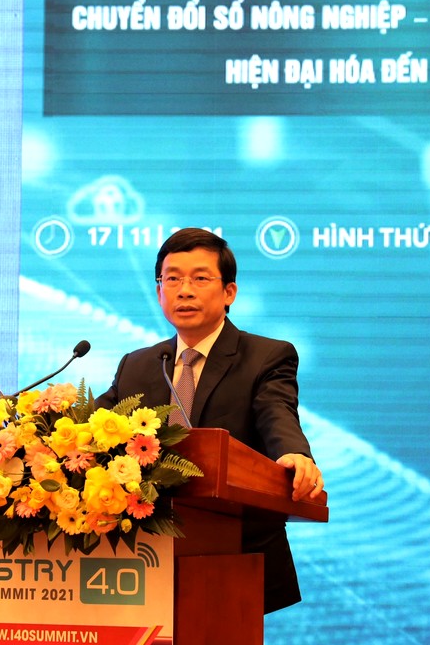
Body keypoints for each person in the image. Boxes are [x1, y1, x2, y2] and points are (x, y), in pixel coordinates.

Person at [94, 227, 324, 613]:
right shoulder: (138, 364)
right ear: (159, 291)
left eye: (200, 278)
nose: (184, 290)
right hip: (141, 558)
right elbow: (96, 426)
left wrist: (295, 453)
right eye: (172, 279)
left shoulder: (266, 357)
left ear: (229, 292)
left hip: (235, 554)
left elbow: (277, 413)